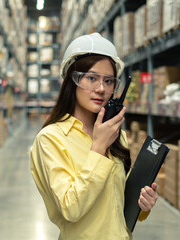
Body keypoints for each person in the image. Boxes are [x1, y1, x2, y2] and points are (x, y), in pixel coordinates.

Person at [30, 33, 158, 240]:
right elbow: (70, 209)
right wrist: (98, 147)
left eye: (108, 81)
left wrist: (143, 204)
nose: (101, 89)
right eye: (91, 78)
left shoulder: (117, 135)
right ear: (72, 81)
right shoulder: (51, 139)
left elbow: (116, 201)